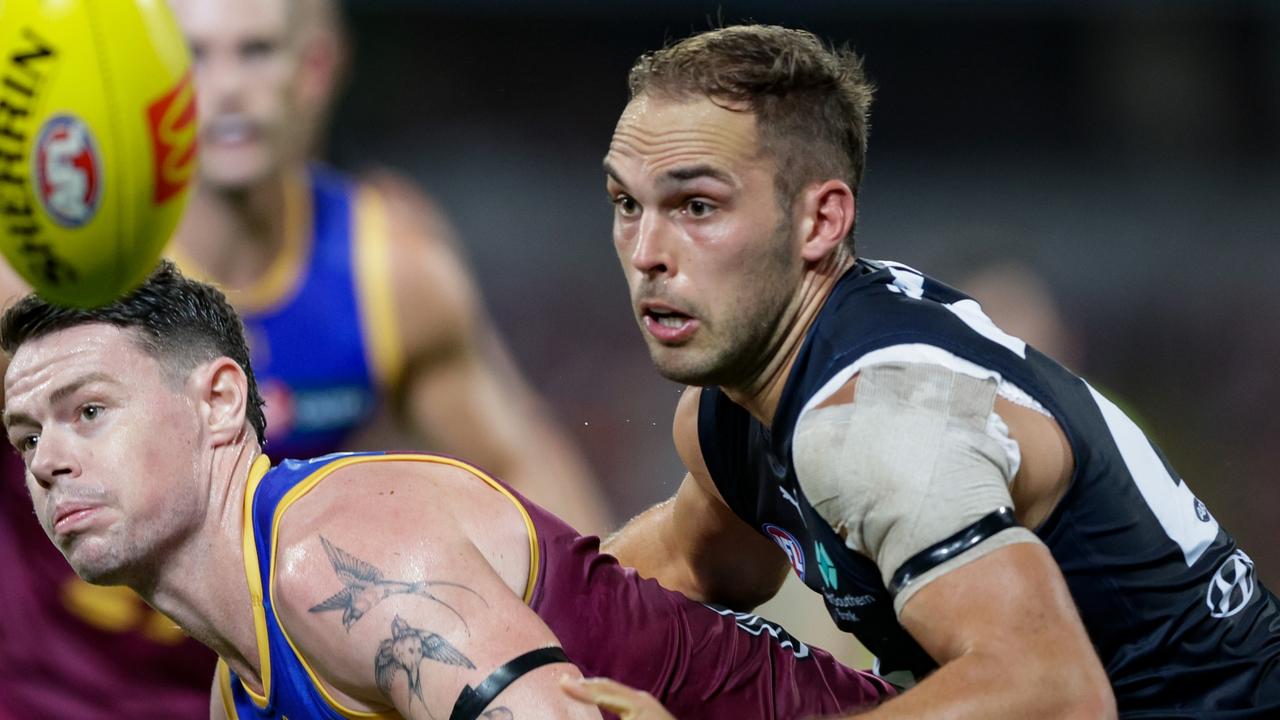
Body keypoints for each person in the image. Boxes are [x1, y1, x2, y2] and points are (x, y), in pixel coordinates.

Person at [591, 24, 1280, 718]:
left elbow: (1054, 695)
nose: (646, 251)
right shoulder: (740, 411)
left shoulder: (876, 421)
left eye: (697, 206)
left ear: (820, 223)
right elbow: (689, 566)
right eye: (627, 204)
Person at [0, 261, 893, 720]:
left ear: (222, 400)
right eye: (27, 435)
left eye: (88, 410)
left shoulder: (337, 559)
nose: (46, 460)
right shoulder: (239, 690)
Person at [166, 0, 612, 536]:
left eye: (256, 51)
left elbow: (526, 474)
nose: (228, 86)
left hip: (271, 615)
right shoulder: (72, 267)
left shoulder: (387, 268)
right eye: (194, 54)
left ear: (313, 70)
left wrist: (627, 612)